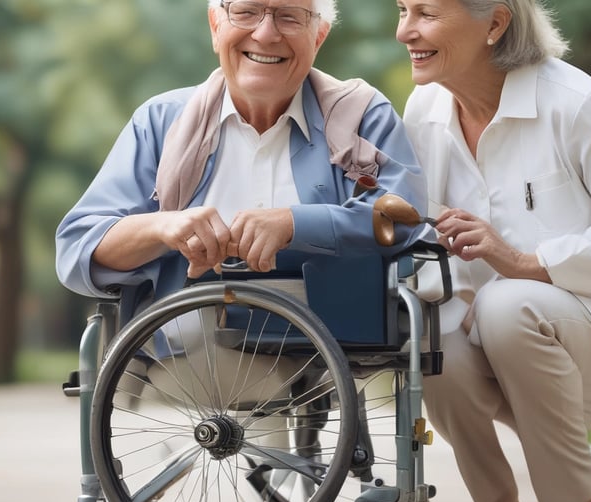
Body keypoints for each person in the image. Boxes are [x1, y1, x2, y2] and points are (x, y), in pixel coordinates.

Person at [395, 1, 591, 502]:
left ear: (496, 23)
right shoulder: (424, 109)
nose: (405, 31)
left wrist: (525, 261)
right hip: (486, 352)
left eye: (426, 13)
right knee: (426, 333)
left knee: (507, 304)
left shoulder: (574, 102)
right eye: (402, 9)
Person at [55, 0, 427, 319]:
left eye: (290, 16)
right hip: (193, 346)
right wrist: (164, 227)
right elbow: (79, 247)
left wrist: (294, 224)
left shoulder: (361, 114)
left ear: (319, 36)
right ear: (216, 26)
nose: (266, 34)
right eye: (246, 11)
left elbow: (404, 217)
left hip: (336, 346)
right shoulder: (161, 121)